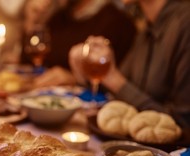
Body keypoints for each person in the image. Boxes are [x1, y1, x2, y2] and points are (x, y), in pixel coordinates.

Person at [69, 0, 190, 128]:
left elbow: (184, 123)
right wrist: (89, 69)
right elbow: (121, 90)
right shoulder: (147, 28)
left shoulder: (185, 24)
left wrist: (112, 78)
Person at [21, 0, 137, 87]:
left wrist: (74, 80)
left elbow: (116, 86)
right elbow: (28, 63)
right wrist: (32, 21)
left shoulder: (118, 23)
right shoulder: (59, 17)